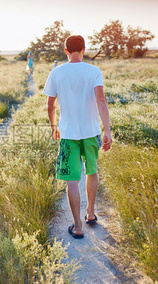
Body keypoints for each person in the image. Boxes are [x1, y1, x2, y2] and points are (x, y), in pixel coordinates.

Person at [43, 35, 112, 239]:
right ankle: (90, 213)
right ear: (84, 49)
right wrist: (107, 130)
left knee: (72, 180)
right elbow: (101, 100)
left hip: (68, 134)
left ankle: (78, 226)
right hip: (91, 132)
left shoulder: (56, 73)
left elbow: (50, 105)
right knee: (92, 171)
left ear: (65, 50)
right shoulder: (94, 71)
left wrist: (54, 126)